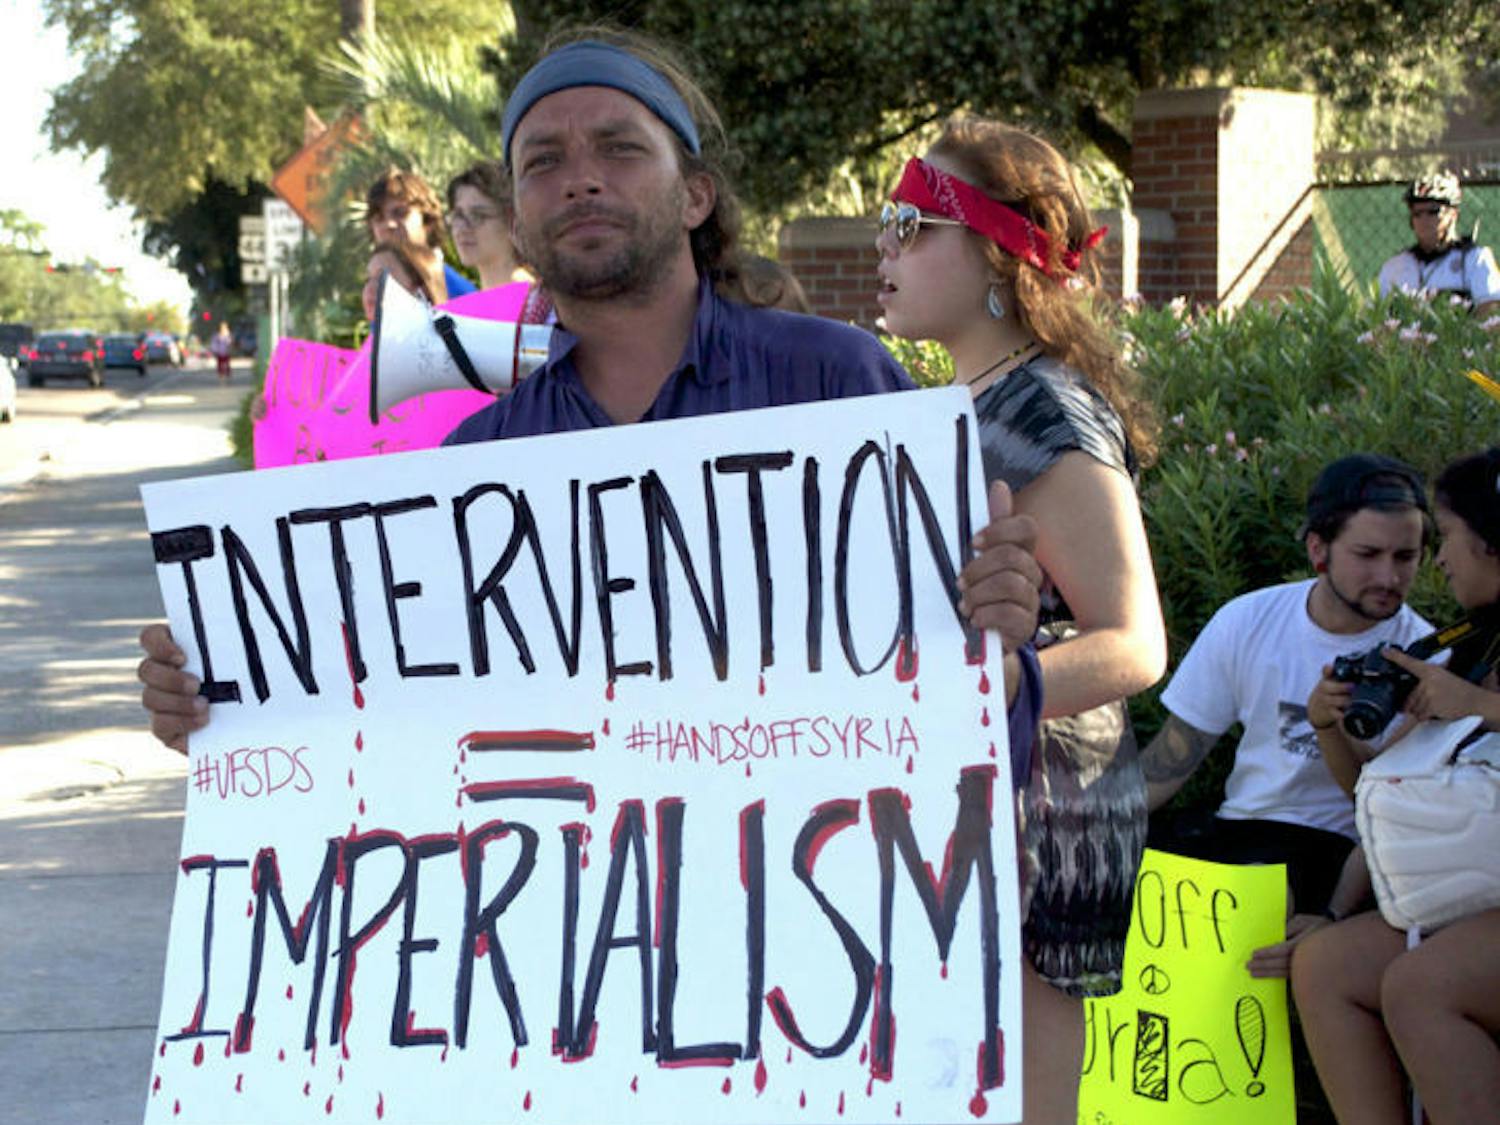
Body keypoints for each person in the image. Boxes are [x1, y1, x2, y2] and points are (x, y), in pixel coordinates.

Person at [142, 32, 1044, 828]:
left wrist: (994, 640)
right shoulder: (476, 467)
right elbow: (398, 737)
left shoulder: (838, 386)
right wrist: (229, 716)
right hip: (581, 970)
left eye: (619, 147)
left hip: (812, 941)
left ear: (695, 195)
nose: (580, 176)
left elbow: (958, 706)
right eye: (541, 162)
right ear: (520, 225)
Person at [873, 117, 1167, 1121]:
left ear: (997, 252)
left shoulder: (1049, 407)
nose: (886, 247)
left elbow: (1135, 643)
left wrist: (987, 686)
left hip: (1048, 808)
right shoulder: (961, 400)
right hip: (971, 788)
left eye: (912, 223)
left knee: (1030, 1099)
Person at [1143, 454, 1433, 939]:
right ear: (1318, 550)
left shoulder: (1428, 659)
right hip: (1238, 830)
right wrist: (1084, 829)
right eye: (1367, 555)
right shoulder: (1249, 619)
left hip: (1338, 850)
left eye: (1405, 558)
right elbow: (1171, 762)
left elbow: (1389, 810)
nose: (1389, 578)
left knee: (1256, 902)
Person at [1294, 447, 1500, 1125]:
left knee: (1422, 984)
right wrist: (1329, 725)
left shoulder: (1467, 680)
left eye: (1447, 539)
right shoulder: (1470, 646)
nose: (1439, 561)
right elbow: (1385, 796)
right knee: (1326, 965)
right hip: (1467, 897)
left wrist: (1479, 705)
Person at [1376, 172, 1500, 315]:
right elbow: (1378, 316)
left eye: (1433, 211)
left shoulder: (1474, 258)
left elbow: (1490, 307)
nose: (1424, 219)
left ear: (1453, 214)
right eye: (1417, 213)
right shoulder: (1396, 266)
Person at [365, 166, 477, 299]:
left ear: (427, 221)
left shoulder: (461, 294)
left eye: (400, 213)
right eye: (379, 218)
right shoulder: (376, 297)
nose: (389, 224)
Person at [445, 160, 527, 290]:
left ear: (512, 222)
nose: (462, 229)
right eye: (458, 216)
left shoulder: (537, 302)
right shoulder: (468, 306)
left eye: (478, 216)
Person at [360, 241, 446, 324]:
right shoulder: (381, 338)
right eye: (367, 279)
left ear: (421, 288)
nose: (369, 288)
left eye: (381, 277)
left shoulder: (451, 334)